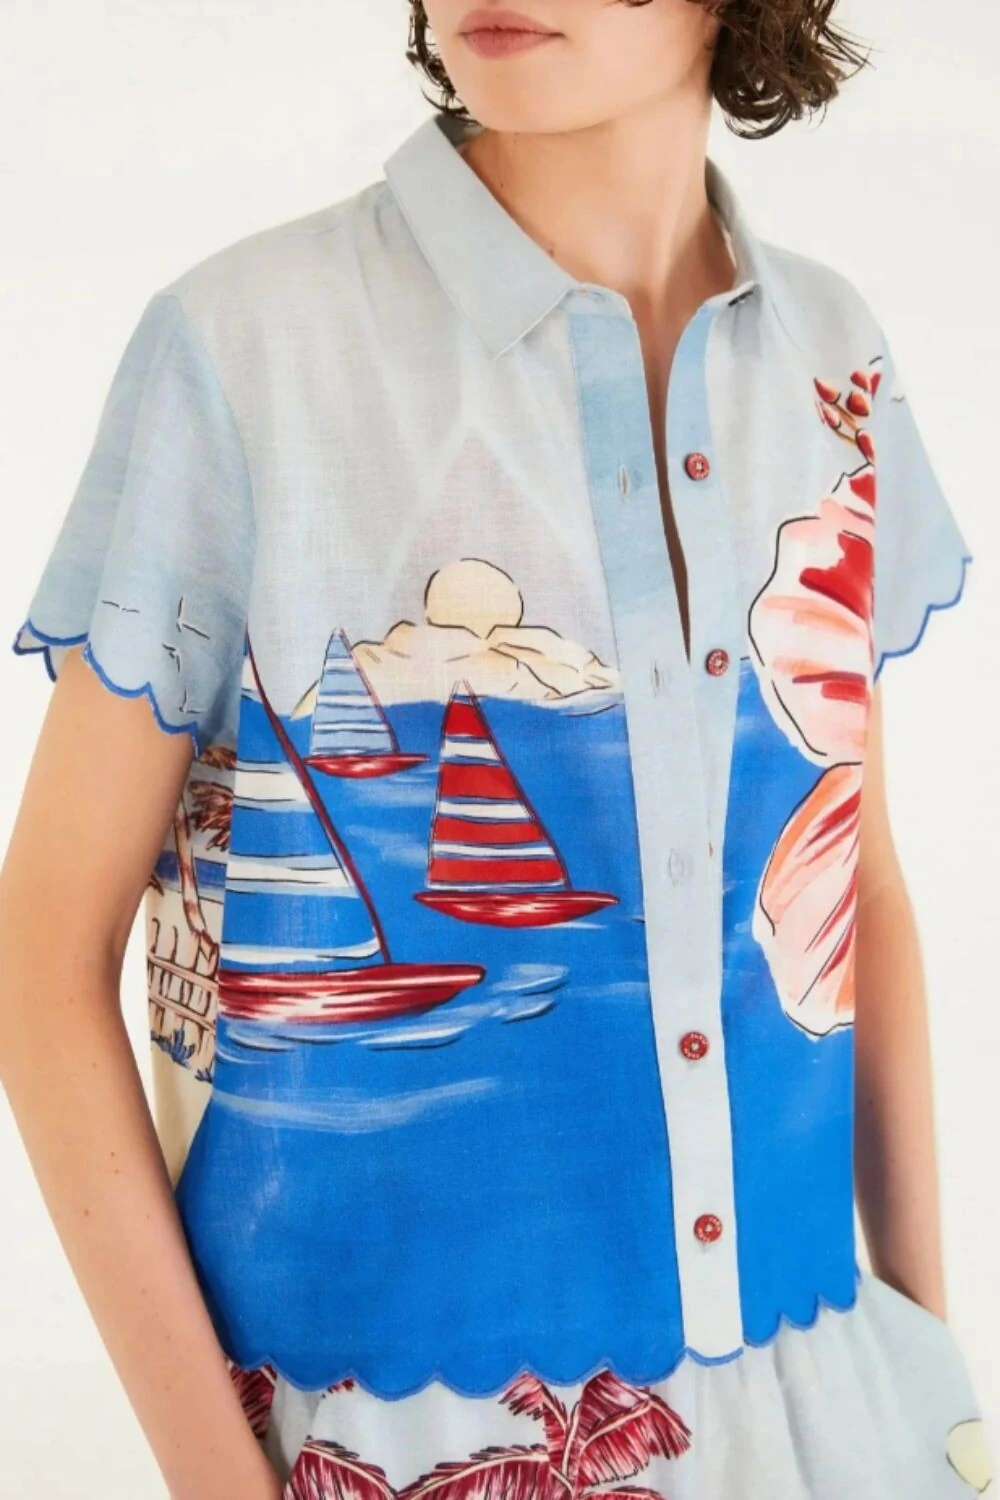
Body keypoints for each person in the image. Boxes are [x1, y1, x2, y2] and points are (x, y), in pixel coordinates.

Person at [0, 2, 992, 1496]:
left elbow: (863, 880)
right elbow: (39, 961)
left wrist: (931, 1364)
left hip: (827, 1414)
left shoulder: (830, 352)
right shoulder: (248, 347)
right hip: (391, 1436)